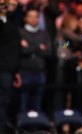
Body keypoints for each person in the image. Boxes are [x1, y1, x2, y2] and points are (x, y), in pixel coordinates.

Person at [0, 0, 22, 133]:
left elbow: (15, 50)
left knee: (4, 105)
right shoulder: (3, 24)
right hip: (2, 69)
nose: (6, 6)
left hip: (9, 71)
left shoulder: (12, 23)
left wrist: (16, 72)